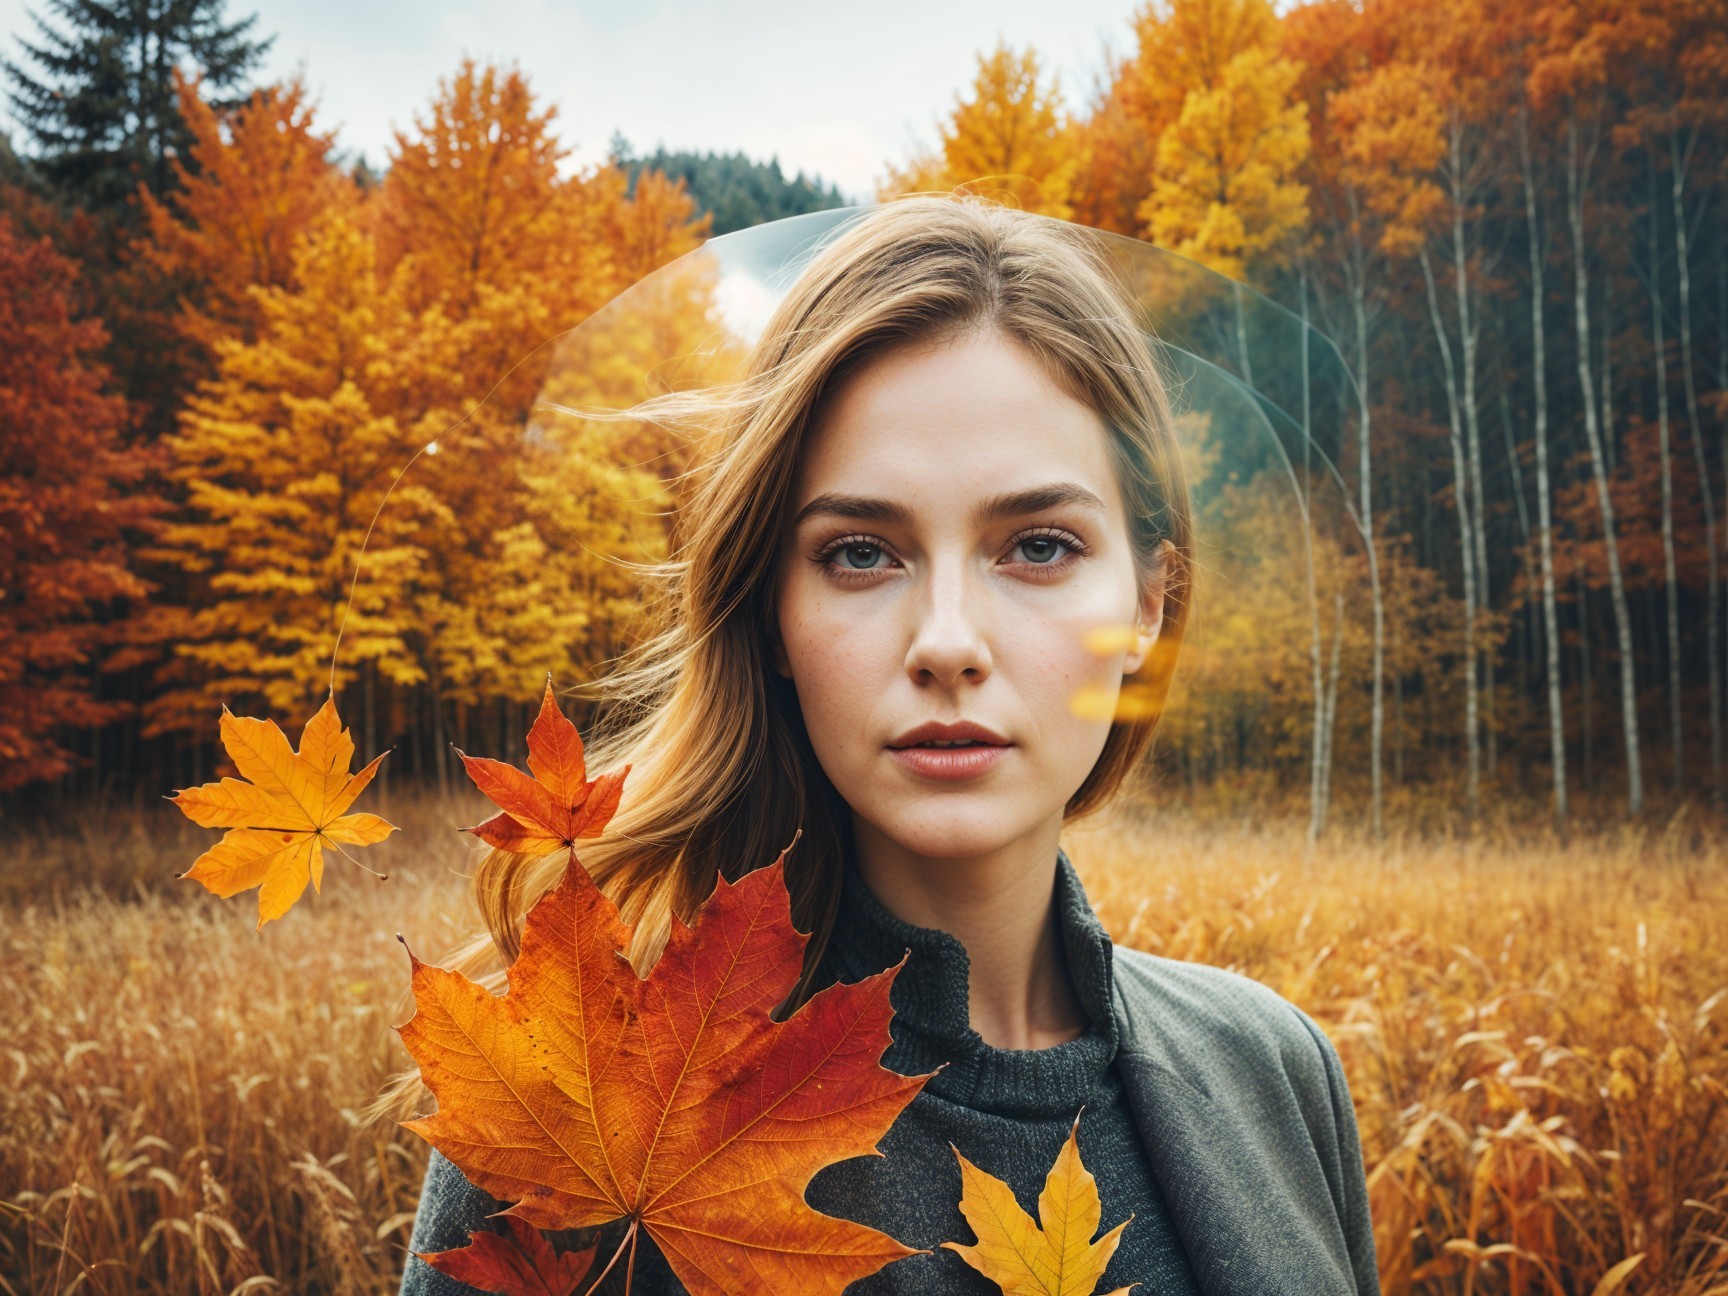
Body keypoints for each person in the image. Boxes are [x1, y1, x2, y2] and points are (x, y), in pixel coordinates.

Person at [381, 193, 1380, 1295]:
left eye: (1038, 546)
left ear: (1148, 600)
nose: (948, 643)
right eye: (861, 554)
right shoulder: (589, 1106)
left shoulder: (1276, 1073)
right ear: (771, 615)